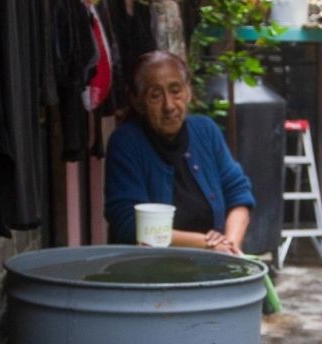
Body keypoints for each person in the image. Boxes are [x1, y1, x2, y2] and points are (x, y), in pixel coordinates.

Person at [104, 50, 254, 254]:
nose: (169, 105)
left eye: (176, 91)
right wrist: (207, 244)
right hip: (147, 275)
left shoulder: (206, 131)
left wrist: (231, 244)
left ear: (188, 92)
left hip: (211, 267)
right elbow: (129, 225)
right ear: (137, 102)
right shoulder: (126, 142)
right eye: (155, 96)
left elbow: (238, 194)